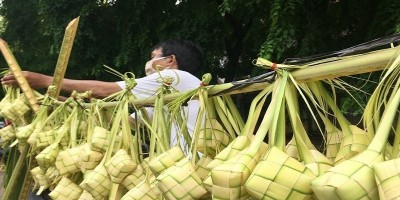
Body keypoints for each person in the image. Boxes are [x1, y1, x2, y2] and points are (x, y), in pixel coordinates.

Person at [1, 39, 204, 151]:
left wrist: (46, 81)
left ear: (170, 61)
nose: (149, 63)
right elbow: (120, 120)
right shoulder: (165, 96)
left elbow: (105, 90)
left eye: (154, 57)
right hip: (182, 165)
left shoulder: (175, 77)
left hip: (192, 162)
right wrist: (57, 100)